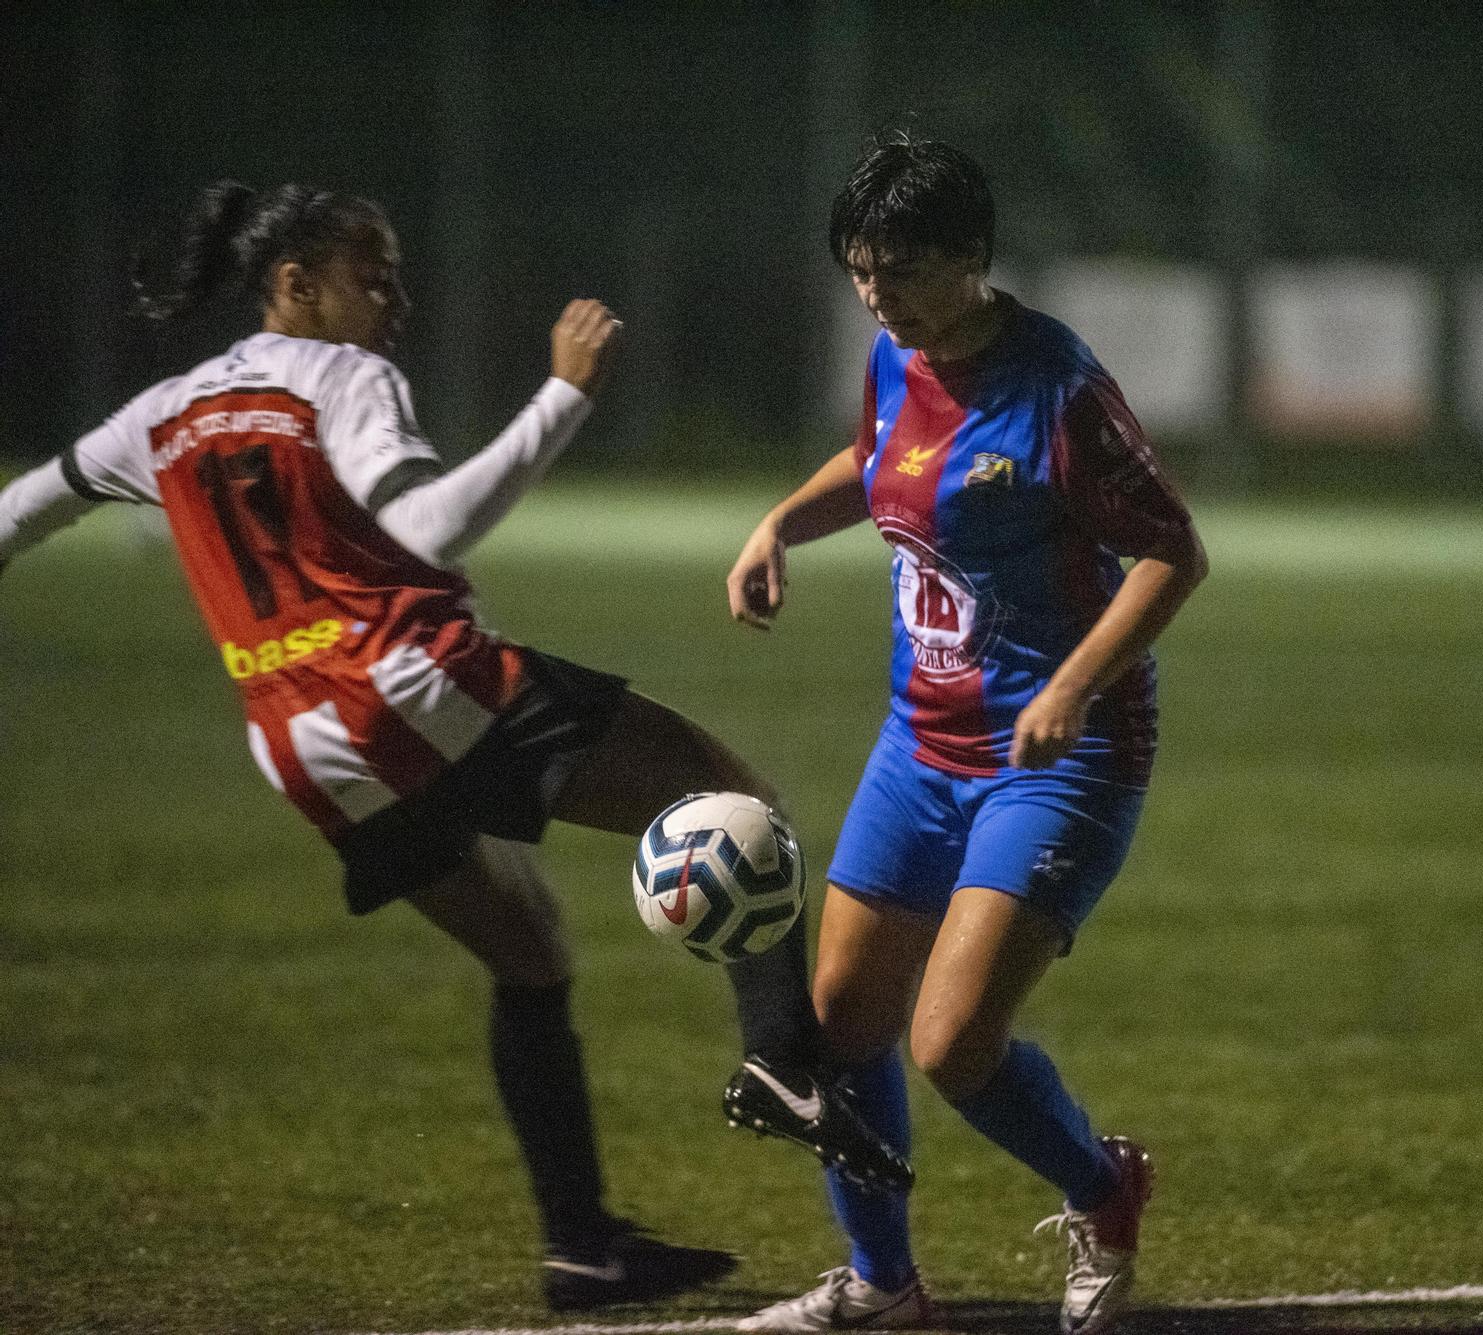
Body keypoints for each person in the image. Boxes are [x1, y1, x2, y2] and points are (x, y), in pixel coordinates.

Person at [0, 181, 907, 1314]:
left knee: (528, 955)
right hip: (416, 684)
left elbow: (19, 512)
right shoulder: (341, 376)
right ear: (293, 285)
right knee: (732, 798)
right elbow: (422, 529)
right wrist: (562, 397)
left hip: (299, 745)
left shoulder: (164, 412)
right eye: (369, 272)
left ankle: (583, 1247)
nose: (395, 298)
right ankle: (781, 1058)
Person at [724, 134, 1207, 1335]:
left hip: (1059, 756)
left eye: (897, 269)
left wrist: (1075, 686)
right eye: (858, 269)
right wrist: (779, 525)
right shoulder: (901, 357)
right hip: (920, 743)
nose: (875, 295)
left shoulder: (1058, 390)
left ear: (971, 260)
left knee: (948, 1045)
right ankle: (883, 1288)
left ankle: (1103, 1190)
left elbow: (1171, 552)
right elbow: (880, 463)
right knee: (841, 1028)